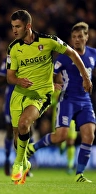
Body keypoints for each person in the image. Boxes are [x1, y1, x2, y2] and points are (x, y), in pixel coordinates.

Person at [6, 10, 92, 185]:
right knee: (18, 136)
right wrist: (19, 80)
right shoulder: (13, 47)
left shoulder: (49, 41)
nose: (14, 30)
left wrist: (85, 76)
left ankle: (18, 164)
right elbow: (10, 77)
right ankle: (24, 161)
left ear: (28, 26)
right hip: (19, 94)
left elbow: (73, 54)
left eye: (18, 26)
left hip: (41, 94)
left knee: (24, 124)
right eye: (13, 26)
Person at [27, 22, 96, 182]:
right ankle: (32, 148)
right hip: (67, 100)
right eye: (74, 37)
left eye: (80, 36)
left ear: (87, 37)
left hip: (85, 101)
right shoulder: (64, 57)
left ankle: (79, 174)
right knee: (61, 137)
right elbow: (49, 74)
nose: (77, 40)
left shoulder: (93, 54)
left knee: (89, 135)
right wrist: (52, 84)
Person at [0, 58, 34, 177]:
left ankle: (24, 163)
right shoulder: (10, 60)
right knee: (11, 132)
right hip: (11, 99)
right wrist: (13, 75)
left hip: (28, 97)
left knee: (28, 131)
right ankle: (7, 160)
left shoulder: (33, 59)